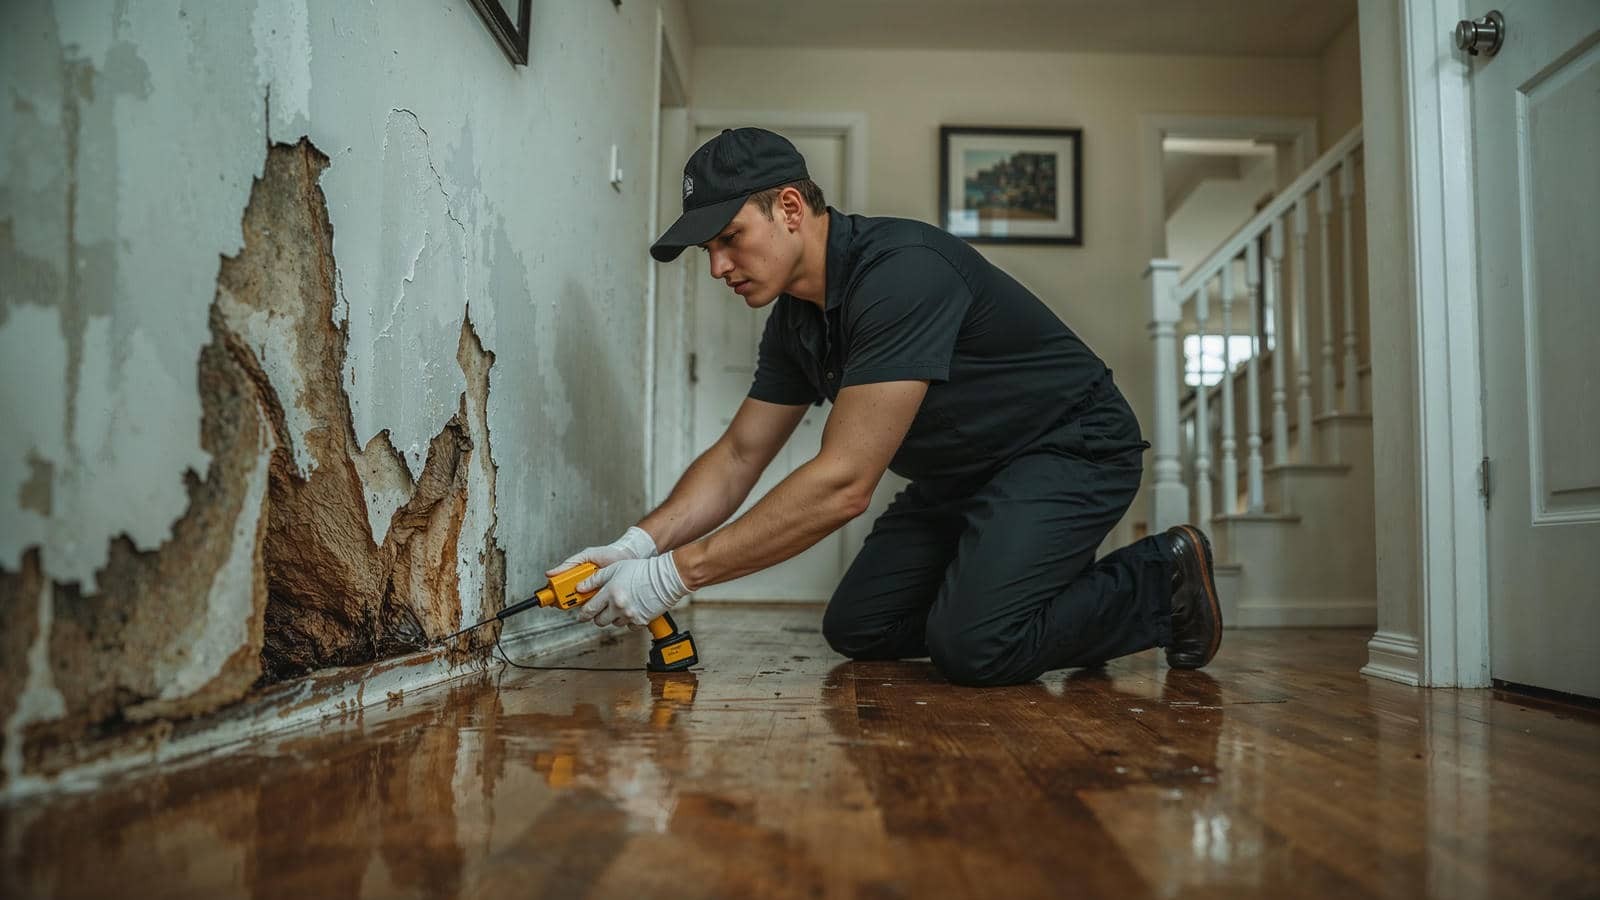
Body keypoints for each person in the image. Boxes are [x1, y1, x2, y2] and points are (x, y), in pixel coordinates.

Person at [547, 128, 1221, 686]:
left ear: (789, 208)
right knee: (859, 629)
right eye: (707, 251)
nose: (718, 266)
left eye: (728, 238)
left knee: (973, 649)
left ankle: (1159, 580)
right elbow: (738, 456)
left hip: (1070, 450)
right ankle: (1052, 610)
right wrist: (635, 544)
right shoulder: (795, 320)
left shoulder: (901, 273)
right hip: (961, 476)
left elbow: (843, 484)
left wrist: (673, 574)